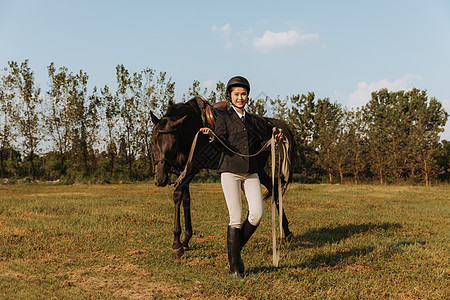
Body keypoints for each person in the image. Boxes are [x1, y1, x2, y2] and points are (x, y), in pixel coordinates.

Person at [200, 76, 282, 280]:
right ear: (230, 96)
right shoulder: (224, 118)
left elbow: (258, 144)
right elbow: (219, 144)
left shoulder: (253, 120)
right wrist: (211, 135)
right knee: (235, 217)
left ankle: (234, 252)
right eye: (236, 94)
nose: (240, 97)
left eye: (243, 94)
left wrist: (273, 140)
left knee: (256, 214)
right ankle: (234, 269)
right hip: (230, 171)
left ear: (247, 96)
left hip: (250, 171)